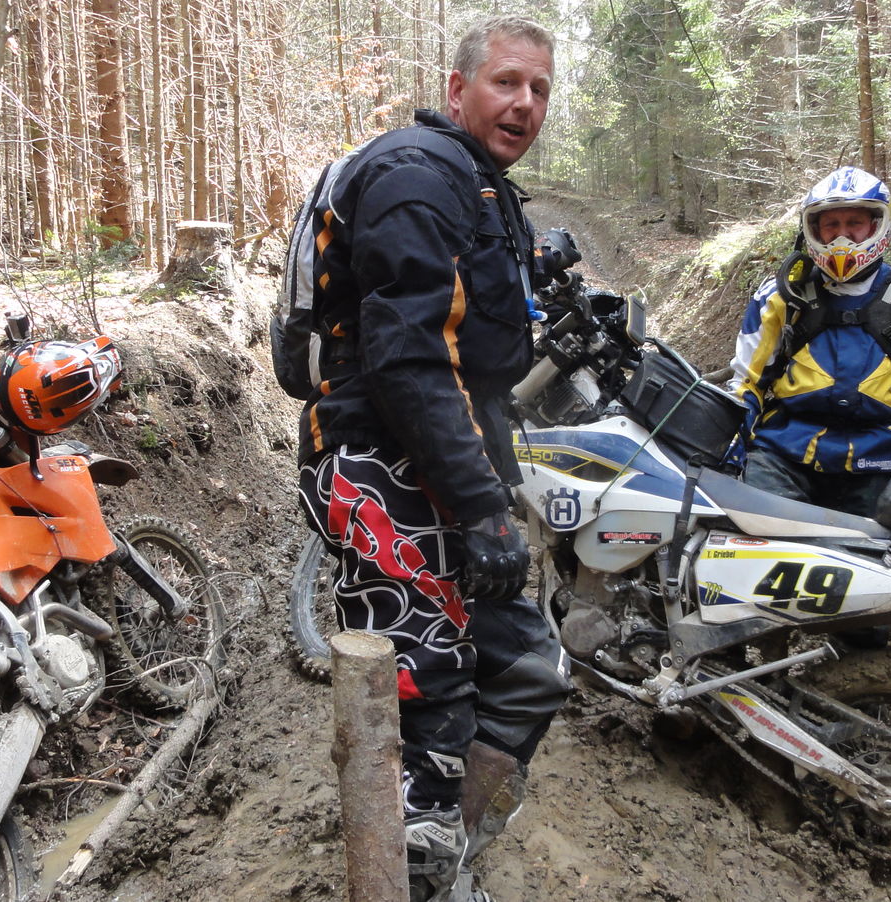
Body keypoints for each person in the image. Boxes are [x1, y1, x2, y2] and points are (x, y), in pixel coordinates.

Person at [289, 16, 572, 902]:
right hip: (384, 465)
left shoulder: (478, 185)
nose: (524, 103)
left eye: (539, 90)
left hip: (441, 467)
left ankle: (449, 857)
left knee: (526, 672)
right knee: (432, 710)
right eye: (506, 82)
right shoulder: (418, 173)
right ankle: (417, 869)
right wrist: (483, 507)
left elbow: (471, 329)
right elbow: (411, 355)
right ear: (458, 89)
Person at [725, 166, 891, 519]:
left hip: (878, 456)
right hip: (783, 452)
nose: (842, 236)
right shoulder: (779, 296)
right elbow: (747, 383)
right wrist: (729, 452)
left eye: (854, 223)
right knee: (756, 530)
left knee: (882, 546)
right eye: (831, 225)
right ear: (813, 229)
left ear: (877, 225)